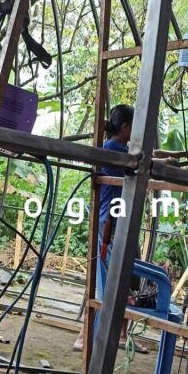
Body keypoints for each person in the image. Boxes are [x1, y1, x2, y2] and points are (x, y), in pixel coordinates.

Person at [73, 104, 136, 352]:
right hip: (109, 223)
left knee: (124, 278)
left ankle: (120, 332)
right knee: (106, 282)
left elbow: (141, 156)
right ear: (125, 127)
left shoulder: (120, 149)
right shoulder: (113, 149)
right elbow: (140, 160)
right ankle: (84, 335)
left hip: (116, 221)